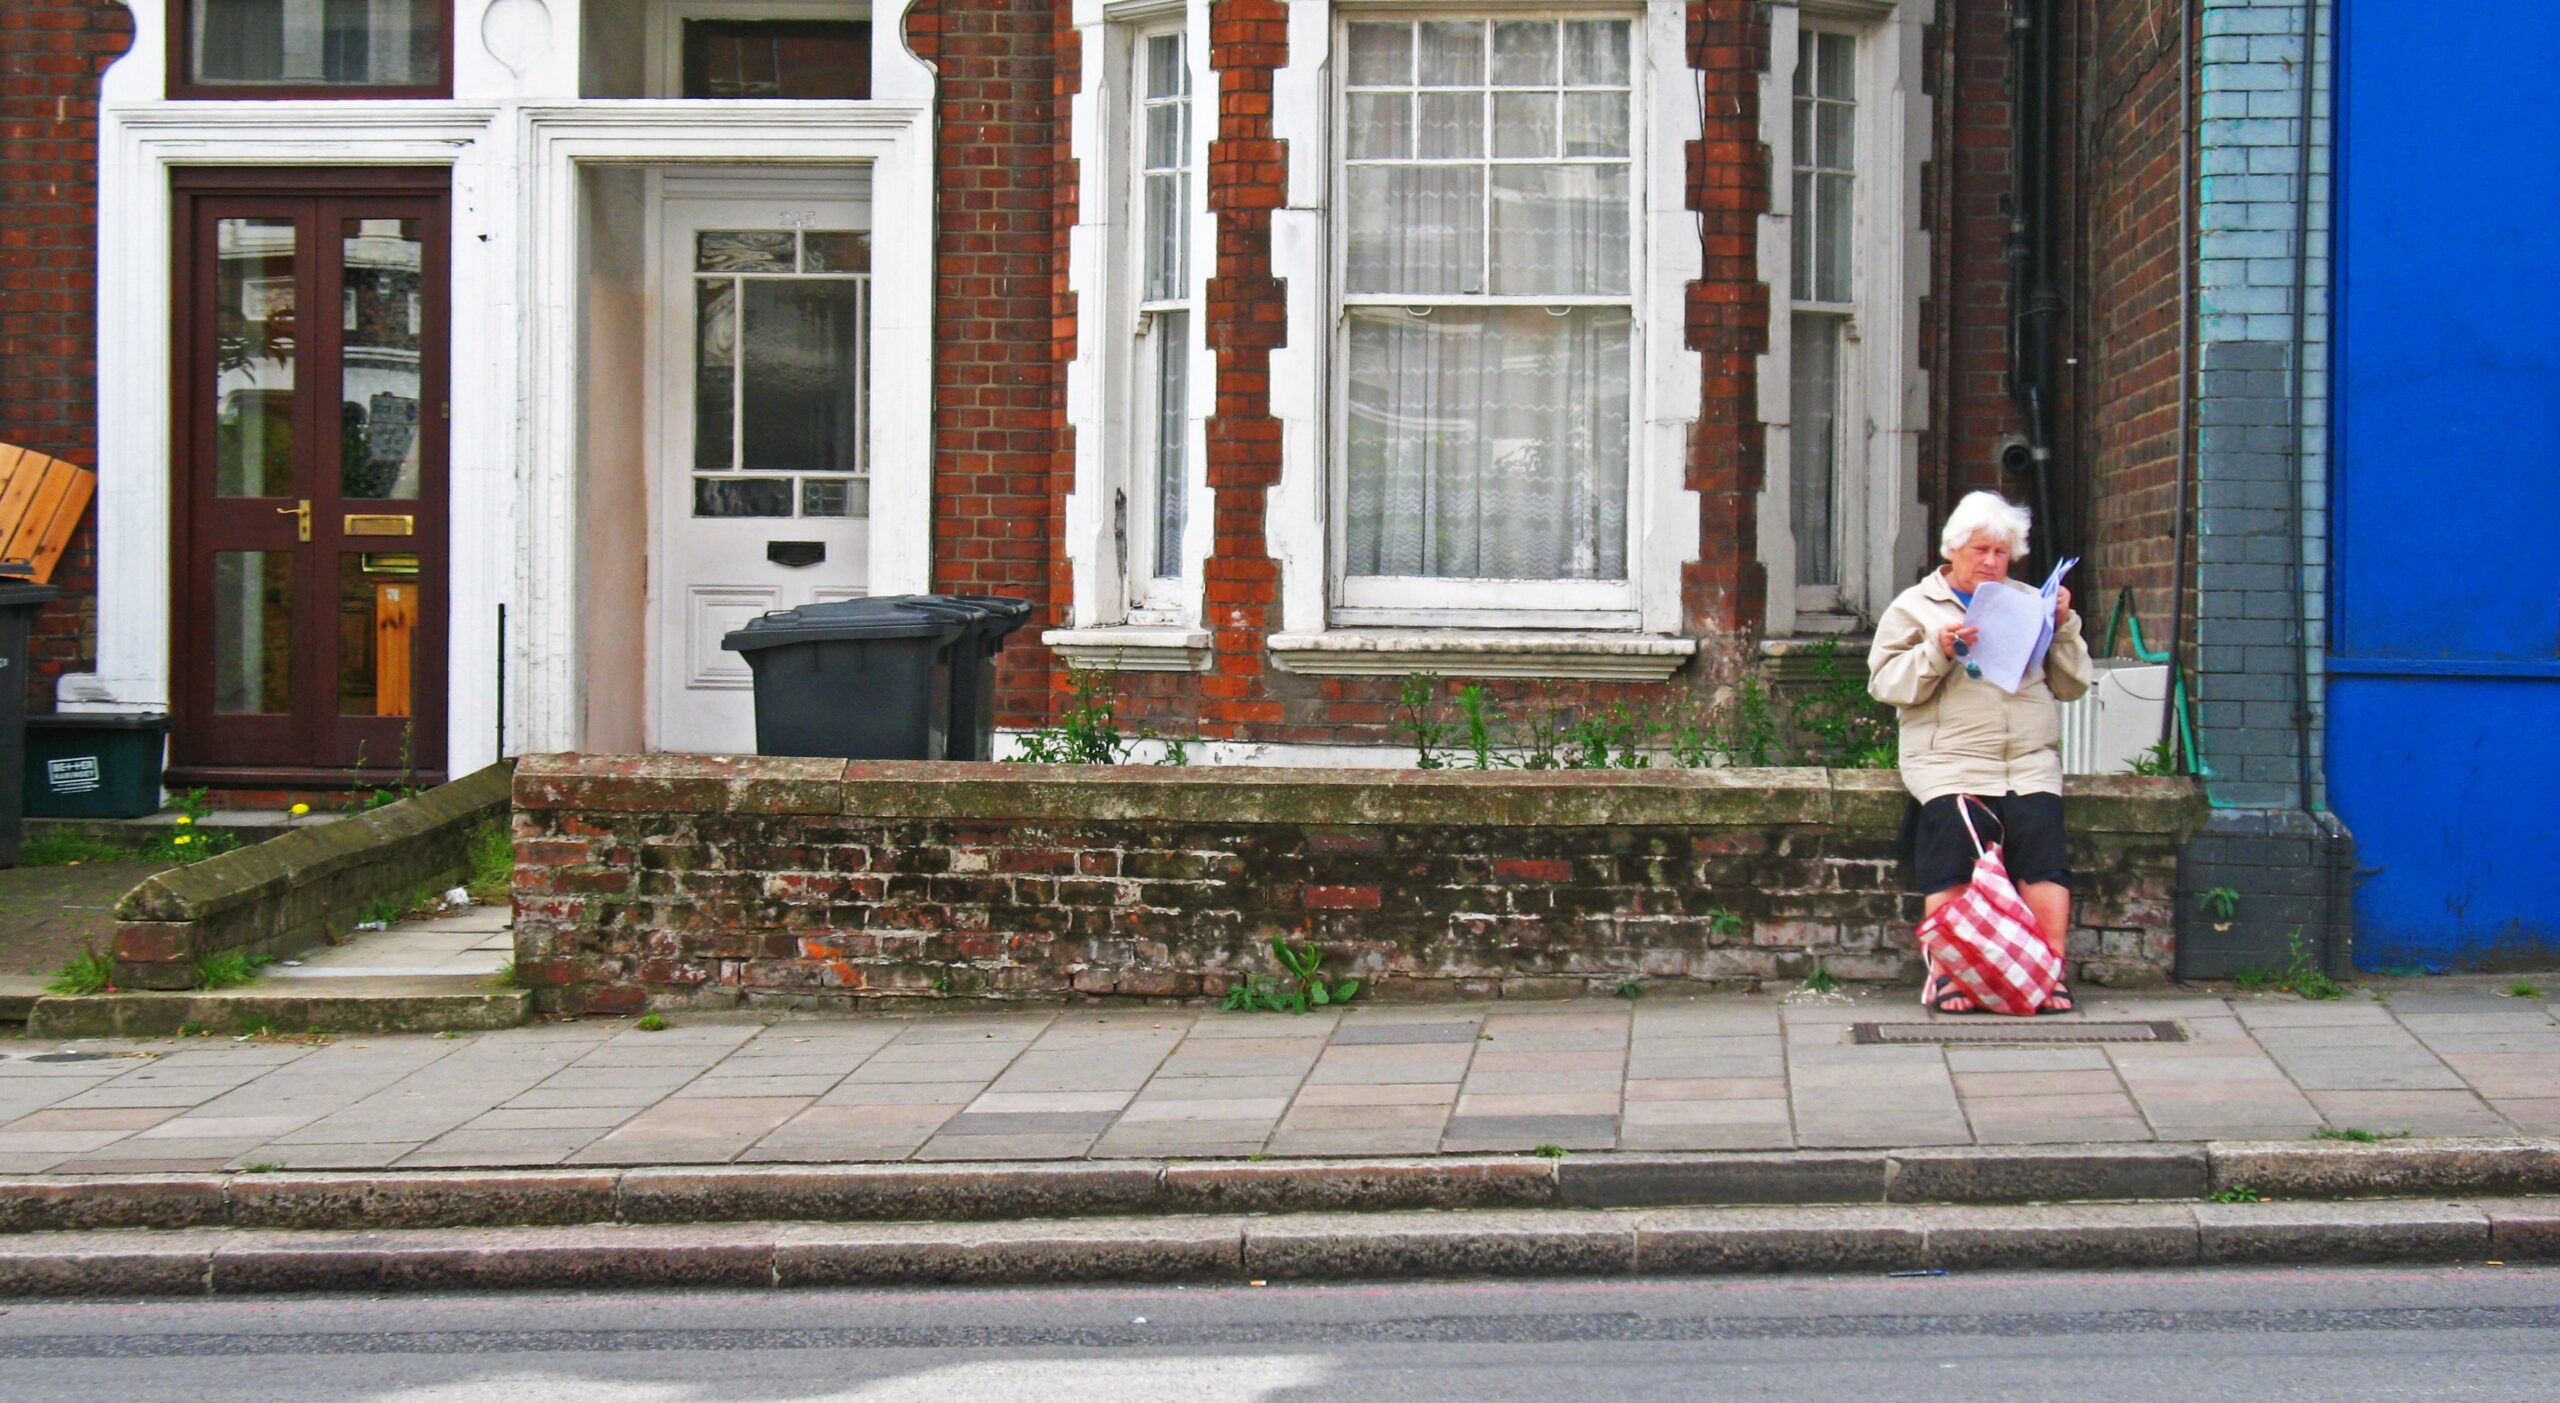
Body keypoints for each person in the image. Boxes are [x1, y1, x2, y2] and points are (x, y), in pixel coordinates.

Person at [1867, 490, 2092, 1013]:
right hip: (1949, 761)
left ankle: (2047, 971)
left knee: (2042, 849)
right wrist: (1937, 651)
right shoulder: (1914, 606)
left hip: (2026, 761)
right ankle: (1949, 975)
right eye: (1980, 551)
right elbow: (1885, 684)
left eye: (2001, 552)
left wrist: (2062, 627)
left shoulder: (2028, 600)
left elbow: (2074, 683)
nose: (1992, 562)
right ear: (1954, 550)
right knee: (1956, 846)